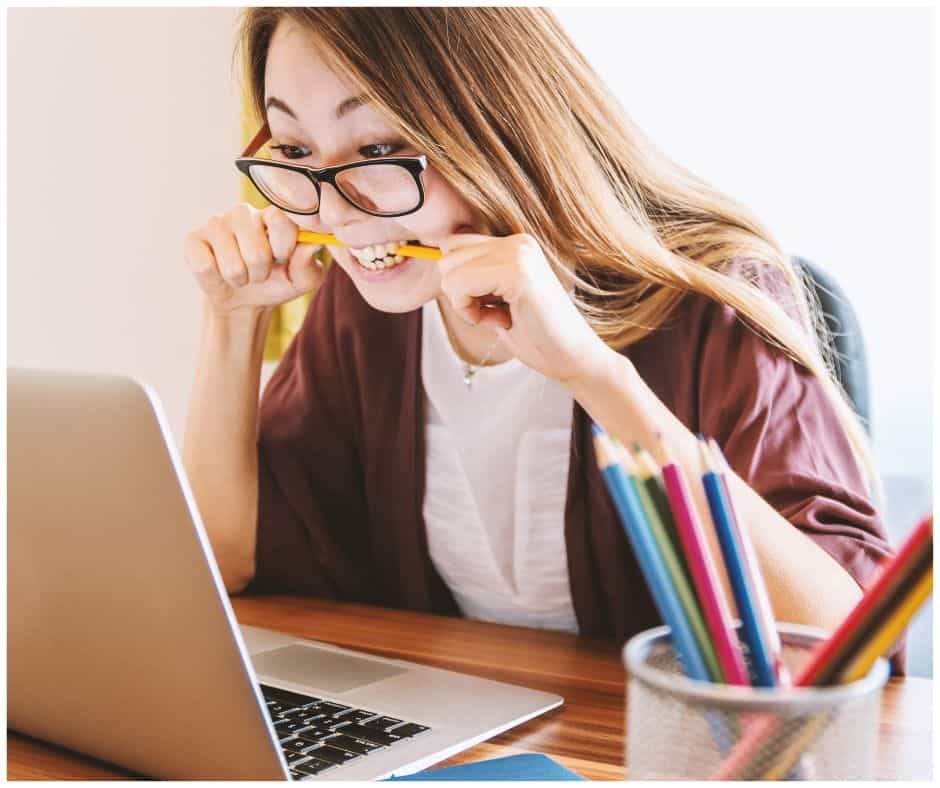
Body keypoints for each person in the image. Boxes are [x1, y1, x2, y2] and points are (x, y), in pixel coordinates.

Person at [182, 8, 903, 671]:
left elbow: (844, 647)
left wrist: (594, 374)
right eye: (298, 149)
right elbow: (225, 558)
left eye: (378, 146)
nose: (337, 212)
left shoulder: (711, 302)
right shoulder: (364, 309)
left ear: (497, 124)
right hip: (470, 741)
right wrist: (233, 321)